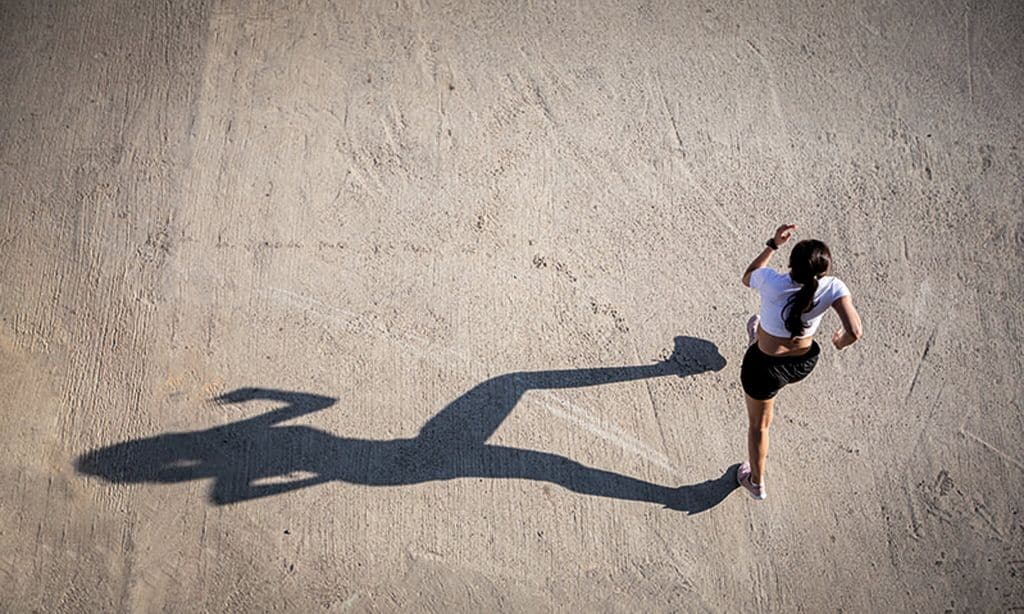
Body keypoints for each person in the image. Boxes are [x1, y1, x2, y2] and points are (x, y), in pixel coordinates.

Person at [736, 224, 863, 500]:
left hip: (764, 368)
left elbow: (747, 277)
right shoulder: (832, 287)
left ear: (791, 264)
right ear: (823, 271)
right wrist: (839, 342)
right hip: (802, 364)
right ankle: (757, 336)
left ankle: (756, 482)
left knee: (759, 426)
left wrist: (772, 244)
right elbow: (854, 331)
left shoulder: (772, 282)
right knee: (761, 332)